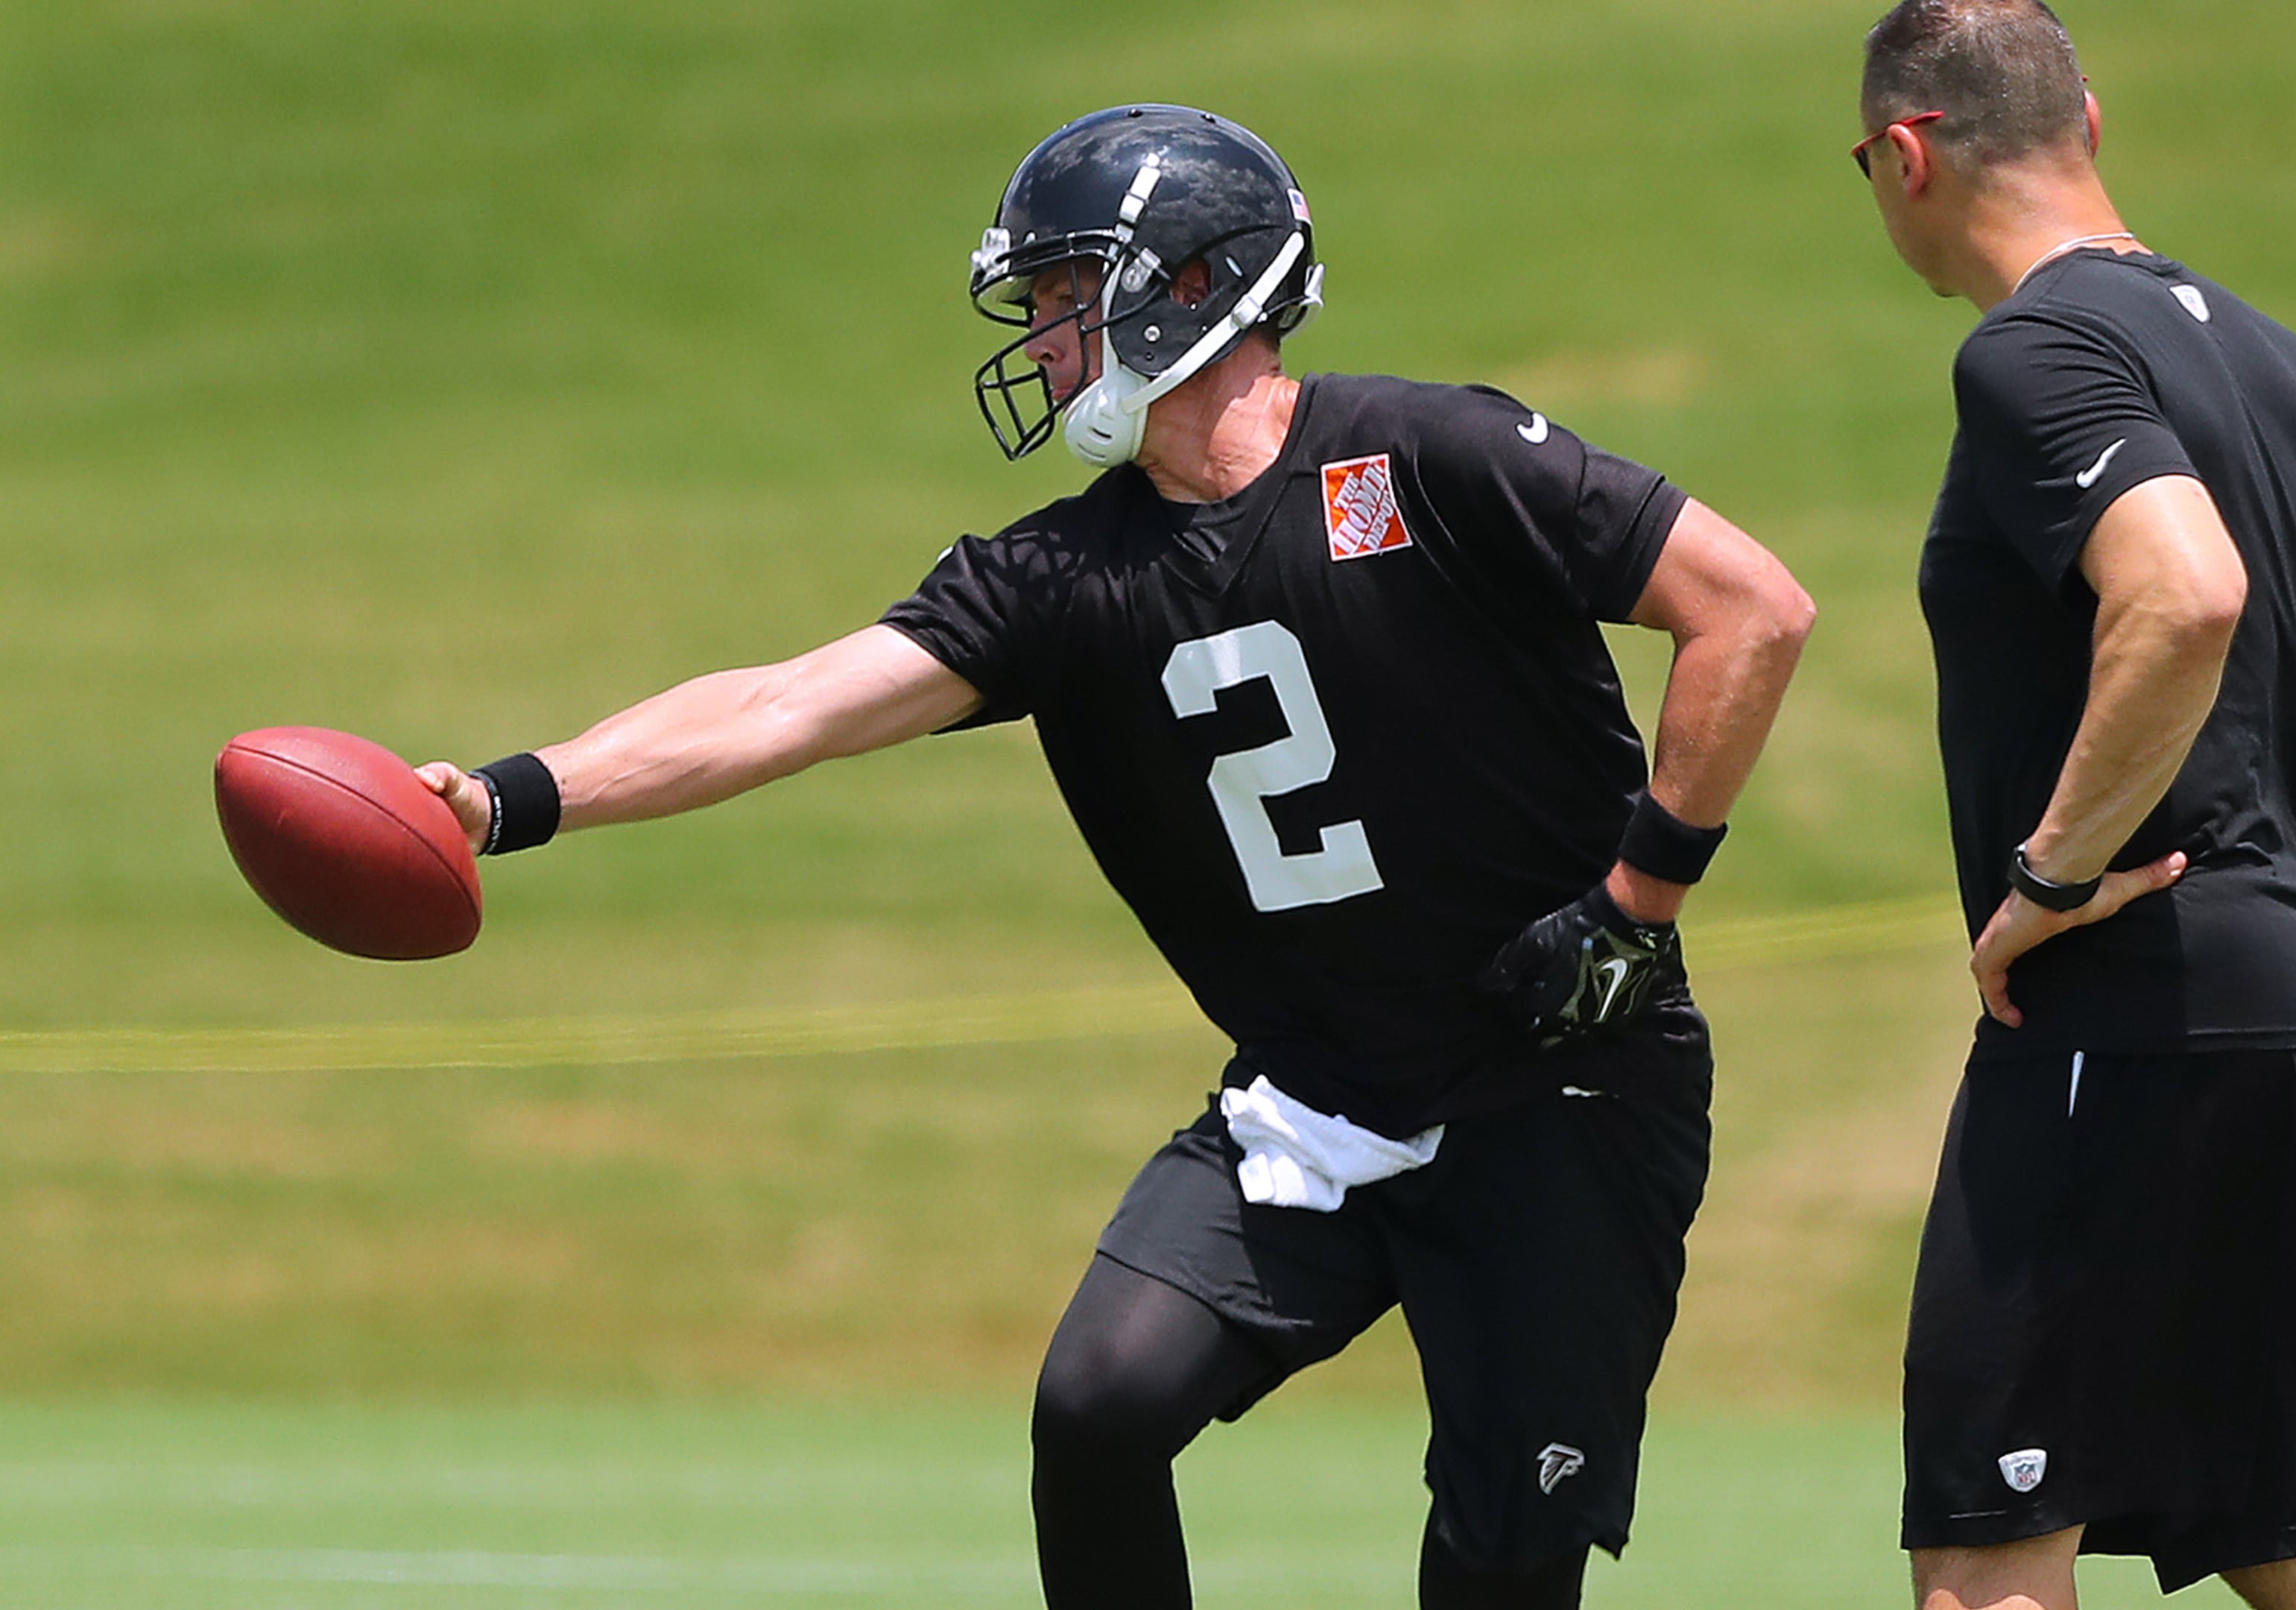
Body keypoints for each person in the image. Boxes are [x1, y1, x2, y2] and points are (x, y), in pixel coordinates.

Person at [414, 104, 1813, 1610]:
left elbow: (1751, 609)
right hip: (1319, 1100)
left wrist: (1636, 904)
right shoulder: (1058, 580)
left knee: (1496, 1573)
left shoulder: (1429, 458)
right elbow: (781, 706)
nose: (1041, 339)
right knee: (1097, 1406)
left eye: (1065, 298)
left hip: (1562, 1081)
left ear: (1193, 287)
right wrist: (502, 799)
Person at [1850, 6, 2296, 1607]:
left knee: (1984, 1551)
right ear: (2091, 119)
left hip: (2127, 1025)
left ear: (1907, 154)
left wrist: (2056, 876)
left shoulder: (2034, 349)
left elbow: (2187, 593)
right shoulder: (2259, 345)